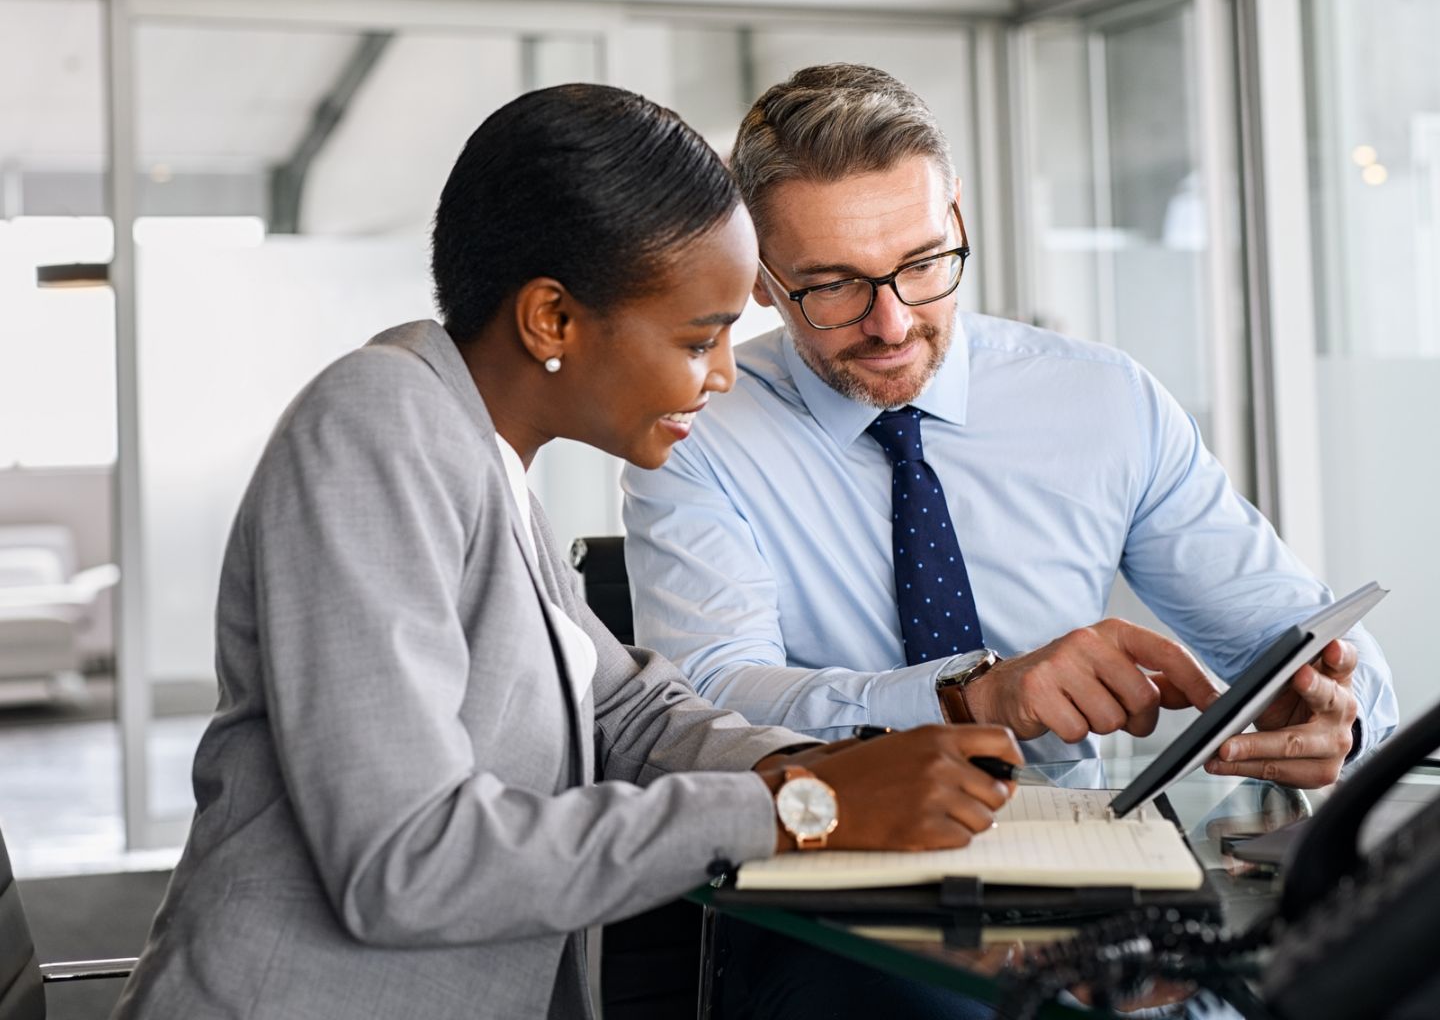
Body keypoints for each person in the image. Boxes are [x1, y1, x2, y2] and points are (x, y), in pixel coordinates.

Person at [112, 84, 1025, 1020]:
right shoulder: (379, 426)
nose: (720, 374)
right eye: (698, 337)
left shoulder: (482, 454)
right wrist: (802, 810)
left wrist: (823, 768)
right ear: (551, 319)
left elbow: (628, 711)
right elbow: (406, 861)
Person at [622, 63, 1398, 786]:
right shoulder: (697, 428)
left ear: (956, 214)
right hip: (827, 880)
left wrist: (1336, 711)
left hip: (1094, 870)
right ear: (759, 276)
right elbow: (709, 705)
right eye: (833, 287)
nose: (892, 325)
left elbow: (1295, 629)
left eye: (923, 264)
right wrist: (969, 699)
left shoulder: (1102, 401)